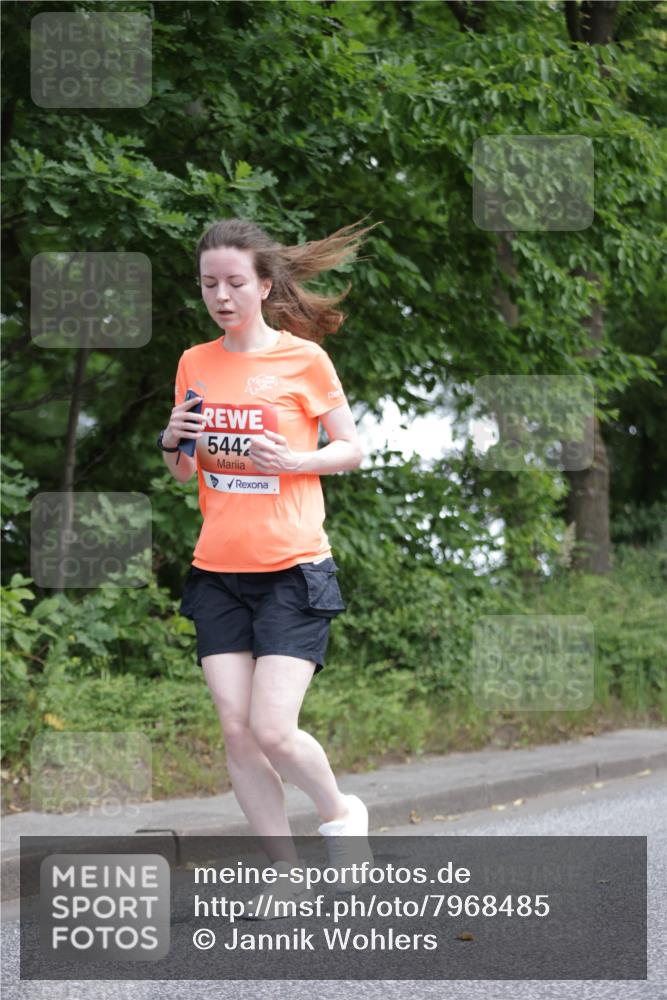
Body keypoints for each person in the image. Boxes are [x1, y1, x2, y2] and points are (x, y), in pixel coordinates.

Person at [158, 216, 380, 917]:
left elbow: (350, 448)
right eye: (208, 284)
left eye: (232, 282)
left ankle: (341, 810)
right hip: (217, 569)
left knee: (273, 728)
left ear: (262, 284)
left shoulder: (304, 362)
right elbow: (182, 469)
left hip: (292, 568)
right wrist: (172, 440)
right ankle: (283, 873)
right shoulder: (195, 361)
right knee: (234, 728)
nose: (220, 296)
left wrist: (298, 460)